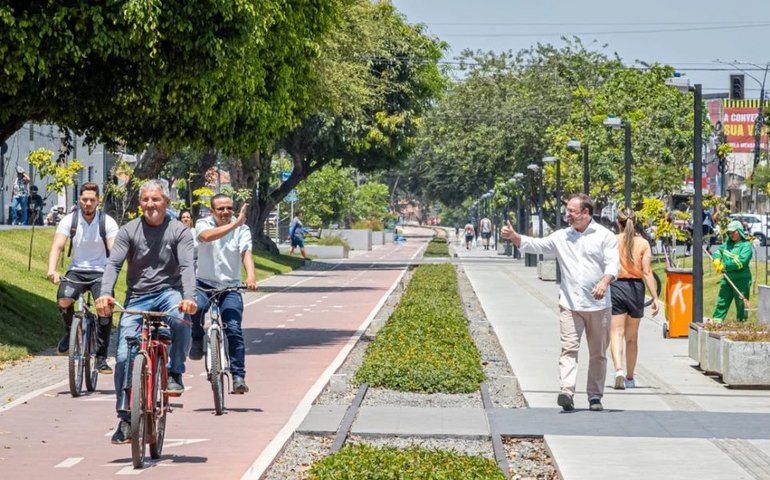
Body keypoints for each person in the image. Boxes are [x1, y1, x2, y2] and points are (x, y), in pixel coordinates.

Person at [95, 179, 197, 445]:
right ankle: (125, 418)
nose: (151, 204)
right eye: (145, 199)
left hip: (169, 292)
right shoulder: (129, 230)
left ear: (167, 202)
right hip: (137, 297)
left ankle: (175, 373)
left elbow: (187, 267)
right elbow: (113, 265)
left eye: (156, 199)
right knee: (123, 355)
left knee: (181, 319)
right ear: (140, 203)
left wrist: (189, 298)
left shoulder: (179, 231)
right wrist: (105, 293)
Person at [501, 194, 619, 412]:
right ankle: (567, 392)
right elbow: (536, 245)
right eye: (567, 210)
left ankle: (595, 396)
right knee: (568, 349)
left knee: (598, 354)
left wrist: (604, 282)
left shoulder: (605, 236)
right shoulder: (562, 236)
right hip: (570, 304)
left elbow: (613, 264)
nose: (568, 215)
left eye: (572, 211)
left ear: (586, 213)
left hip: (599, 306)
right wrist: (514, 237)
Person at [47, 182, 120, 375]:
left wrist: (113, 272)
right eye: (85, 199)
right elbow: (57, 246)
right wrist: (52, 270)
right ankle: (70, 331)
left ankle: (101, 357)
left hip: (101, 272)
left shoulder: (107, 222)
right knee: (64, 299)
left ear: (98, 201)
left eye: (92, 200)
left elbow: (114, 250)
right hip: (77, 271)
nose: (88, 203)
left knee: (105, 308)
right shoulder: (69, 220)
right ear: (79, 199)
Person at [188, 194, 257, 394]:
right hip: (204, 283)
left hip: (230, 286)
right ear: (212, 211)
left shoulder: (243, 229)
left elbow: (246, 253)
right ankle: (197, 337)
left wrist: (251, 276)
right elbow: (206, 237)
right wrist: (235, 224)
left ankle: (238, 377)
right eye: (221, 209)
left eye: (229, 208)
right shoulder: (203, 224)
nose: (226, 212)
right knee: (196, 309)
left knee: (233, 329)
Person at [609, 208, 660, 391]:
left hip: (616, 287)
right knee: (632, 338)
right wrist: (655, 297)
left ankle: (618, 370)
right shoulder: (643, 243)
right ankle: (630, 378)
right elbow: (647, 272)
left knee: (616, 333)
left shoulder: (612, 241)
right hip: (636, 289)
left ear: (618, 222)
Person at [711, 220, 753, 323]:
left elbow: (741, 262)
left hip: (741, 280)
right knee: (722, 301)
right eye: (730, 232)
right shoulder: (727, 244)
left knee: (741, 305)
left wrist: (724, 266)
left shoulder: (746, 246)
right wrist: (716, 259)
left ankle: (741, 326)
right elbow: (718, 251)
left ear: (740, 231)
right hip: (727, 279)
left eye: (734, 232)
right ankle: (716, 324)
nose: (732, 235)